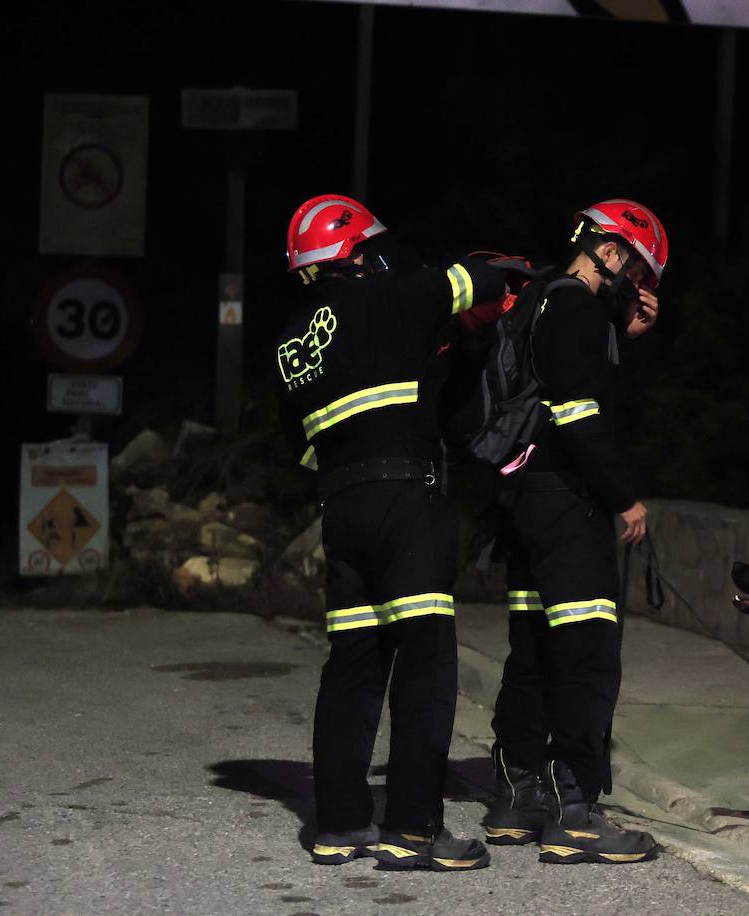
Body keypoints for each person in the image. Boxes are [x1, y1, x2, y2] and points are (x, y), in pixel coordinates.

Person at [274, 193, 509, 872]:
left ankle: (339, 824)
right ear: (356, 253)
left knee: (351, 666)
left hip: (341, 508)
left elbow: (302, 446)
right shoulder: (393, 297)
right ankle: (412, 829)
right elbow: (482, 278)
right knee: (426, 660)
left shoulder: (292, 346)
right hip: (407, 499)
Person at [481, 199, 668, 864]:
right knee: (587, 653)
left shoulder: (535, 300)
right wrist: (624, 499)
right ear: (611, 252)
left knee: (533, 649)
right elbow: (583, 417)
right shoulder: (581, 308)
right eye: (639, 271)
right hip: (567, 502)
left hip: (522, 500)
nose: (640, 288)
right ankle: (579, 812)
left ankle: (517, 797)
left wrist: (630, 338)